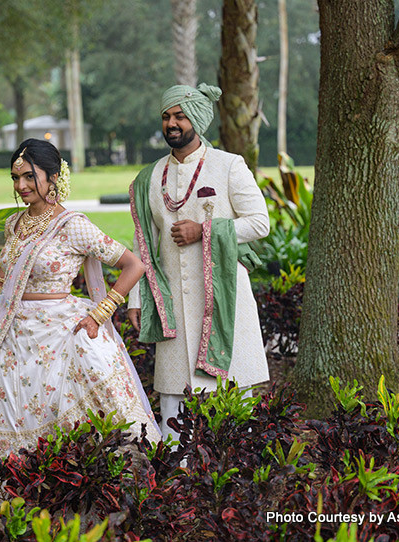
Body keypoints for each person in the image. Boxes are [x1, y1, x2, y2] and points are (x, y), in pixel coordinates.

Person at [0, 139, 161, 511]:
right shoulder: (13, 223)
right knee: (5, 417)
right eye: (15, 177)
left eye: (29, 177)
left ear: (53, 178)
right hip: (10, 334)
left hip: (58, 334)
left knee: (57, 417)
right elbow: (4, 277)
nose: (21, 186)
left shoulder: (73, 226)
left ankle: (65, 510)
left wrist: (101, 313)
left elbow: (134, 266)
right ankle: (6, 514)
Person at [127, 83, 270, 440]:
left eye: (180, 116)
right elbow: (143, 243)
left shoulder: (228, 166)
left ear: (198, 120)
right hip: (173, 297)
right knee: (173, 388)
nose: (171, 123)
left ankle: (237, 457)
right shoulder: (149, 178)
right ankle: (176, 463)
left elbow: (259, 223)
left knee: (233, 382)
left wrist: (205, 230)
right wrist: (136, 299)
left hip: (223, 295)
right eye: (166, 117)